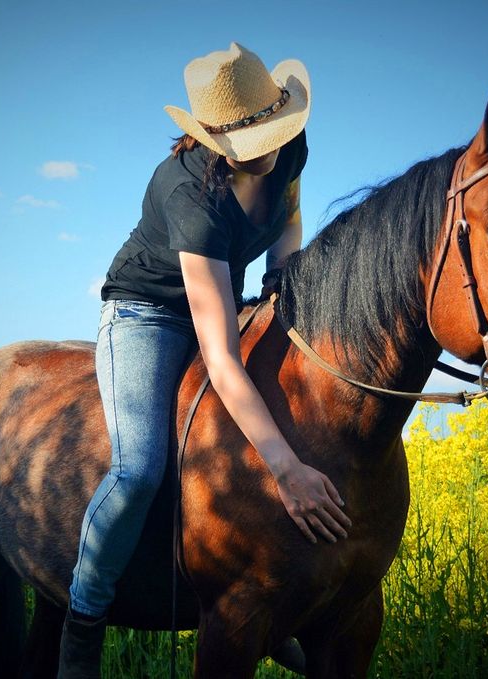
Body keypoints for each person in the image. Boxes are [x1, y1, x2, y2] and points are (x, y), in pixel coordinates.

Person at [58, 42, 351, 678]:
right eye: (254, 140)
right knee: (138, 469)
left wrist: (283, 286)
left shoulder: (289, 148)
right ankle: (81, 619)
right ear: (218, 141)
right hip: (147, 312)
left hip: (229, 293)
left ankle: (260, 604)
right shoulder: (188, 193)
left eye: (275, 131)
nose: (270, 149)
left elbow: (287, 226)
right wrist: (287, 472)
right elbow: (218, 357)